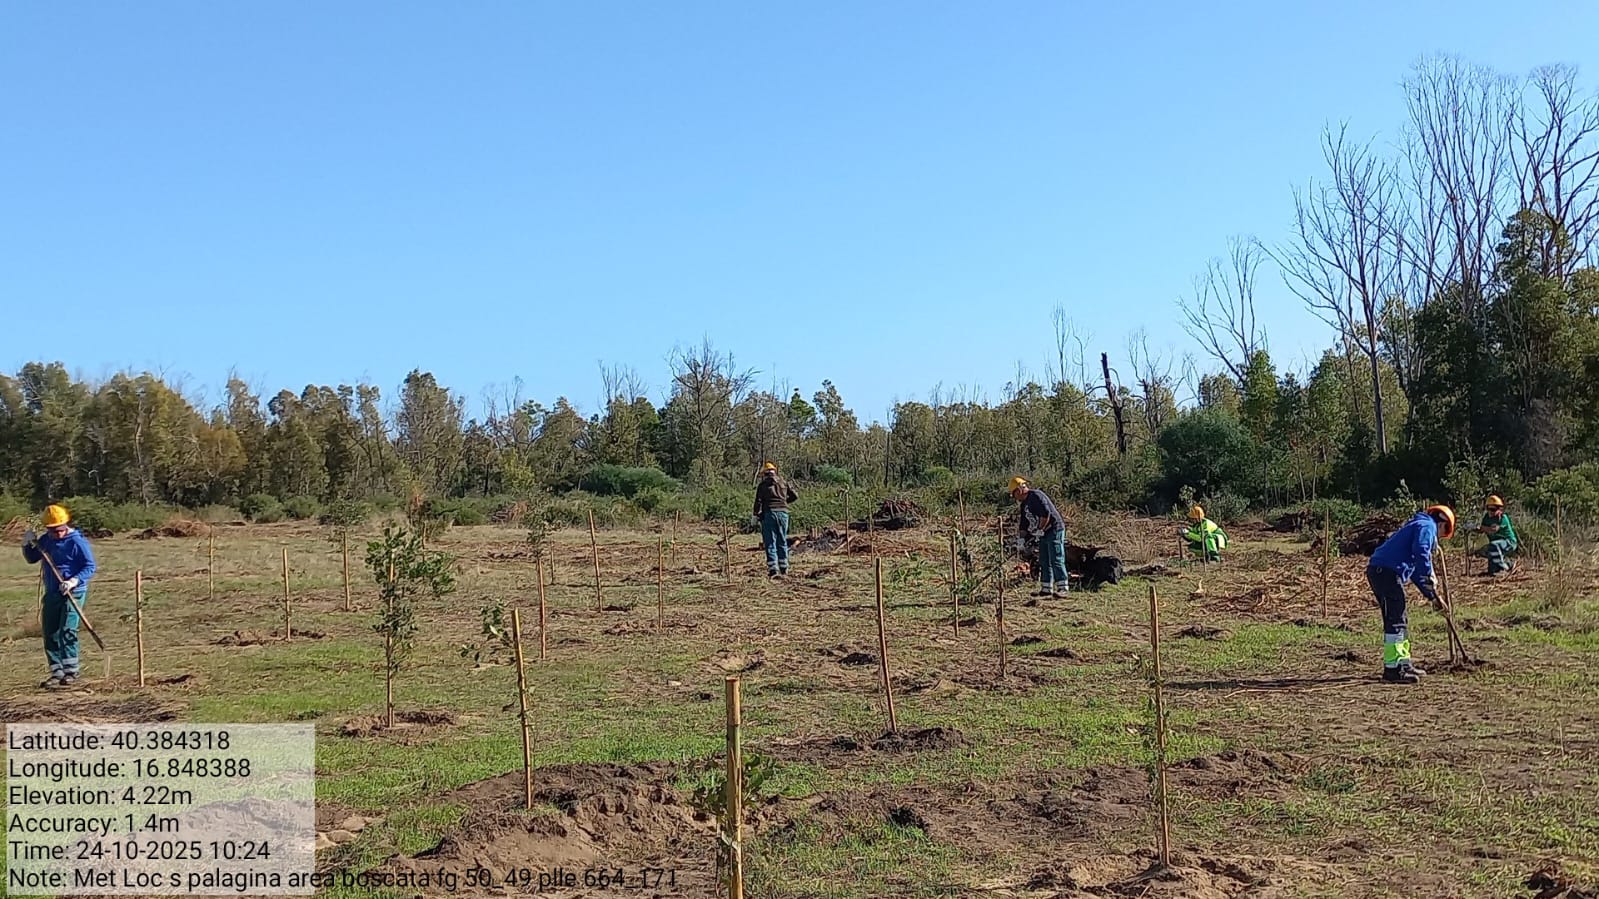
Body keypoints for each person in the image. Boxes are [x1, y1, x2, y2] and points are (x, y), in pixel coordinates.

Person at [1366, 505, 1454, 685]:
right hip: (1385, 573)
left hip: (1386, 572)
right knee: (1395, 619)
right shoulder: (1426, 526)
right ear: (1442, 522)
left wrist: (1433, 597)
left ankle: (1403, 663)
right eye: (1444, 532)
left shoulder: (1418, 526)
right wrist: (1431, 576)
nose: (1440, 537)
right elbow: (1422, 553)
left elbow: (1415, 572)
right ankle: (1393, 670)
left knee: (1401, 618)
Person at [21, 504, 97, 689]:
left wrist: (74, 581)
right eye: (53, 531)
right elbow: (32, 558)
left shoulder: (77, 541)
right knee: (50, 632)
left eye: (60, 530)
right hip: (53, 592)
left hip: (73, 592)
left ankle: (71, 671)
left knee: (67, 630)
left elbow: (90, 567)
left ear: (66, 525)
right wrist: (26, 543)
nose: (57, 534)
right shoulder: (46, 540)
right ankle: (57, 672)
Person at [1008, 476, 1068, 597]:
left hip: (1053, 529)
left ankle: (1063, 587)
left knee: (1056, 558)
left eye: (1014, 495)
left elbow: (1046, 514)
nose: (1015, 498)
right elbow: (1024, 524)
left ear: (1018, 491)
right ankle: (1046, 588)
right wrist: (1021, 539)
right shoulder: (1024, 505)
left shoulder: (1036, 495)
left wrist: (1040, 529)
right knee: (1044, 559)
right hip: (1042, 533)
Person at [753, 462, 798, 578]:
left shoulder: (763, 485)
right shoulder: (783, 482)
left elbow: (758, 502)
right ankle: (784, 568)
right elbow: (795, 496)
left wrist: (755, 515)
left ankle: (773, 570)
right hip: (784, 514)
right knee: (782, 540)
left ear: (765, 474)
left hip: (770, 514)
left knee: (770, 542)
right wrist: (783, 503)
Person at [1476, 495, 1518, 576]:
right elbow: (1482, 530)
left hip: (1509, 542)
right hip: (1496, 544)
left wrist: (1481, 527)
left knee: (1493, 546)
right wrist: (1473, 528)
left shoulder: (1502, 518)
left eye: (1493, 509)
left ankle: (1503, 568)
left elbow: (1493, 530)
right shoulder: (1486, 517)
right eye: (1488, 508)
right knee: (1485, 551)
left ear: (1499, 509)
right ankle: (1503, 566)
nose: (1490, 511)